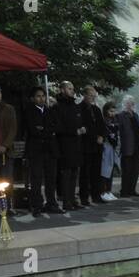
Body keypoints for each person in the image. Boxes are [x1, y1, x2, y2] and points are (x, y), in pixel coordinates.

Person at [23, 86, 60, 216]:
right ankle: (37, 205)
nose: (41, 98)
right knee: (36, 179)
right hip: (36, 150)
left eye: (43, 96)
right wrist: (47, 131)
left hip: (50, 149)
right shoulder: (29, 111)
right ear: (33, 98)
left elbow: (55, 127)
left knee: (51, 178)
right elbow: (33, 130)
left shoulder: (50, 111)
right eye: (38, 96)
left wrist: (44, 129)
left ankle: (51, 203)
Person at [53, 81, 86, 209]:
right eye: (69, 88)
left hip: (76, 146)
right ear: (62, 90)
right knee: (66, 175)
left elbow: (79, 121)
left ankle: (72, 200)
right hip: (65, 146)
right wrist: (74, 131)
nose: (72, 90)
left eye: (73, 88)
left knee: (74, 174)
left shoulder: (75, 106)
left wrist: (82, 128)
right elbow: (58, 127)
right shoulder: (58, 107)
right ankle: (66, 201)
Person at [78, 85, 106, 206]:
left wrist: (101, 136)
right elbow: (82, 126)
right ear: (85, 95)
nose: (92, 98)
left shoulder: (96, 110)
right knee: (85, 173)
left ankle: (96, 195)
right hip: (85, 145)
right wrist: (93, 135)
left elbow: (102, 126)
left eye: (94, 96)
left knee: (96, 172)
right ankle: (84, 197)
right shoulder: (79, 109)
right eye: (90, 95)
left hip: (97, 146)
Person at [115, 96, 139, 198]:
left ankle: (132, 190)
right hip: (127, 146)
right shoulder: (120, 116)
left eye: (132, 103)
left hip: (137, 146)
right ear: (124, 104)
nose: (131, 105)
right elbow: (119, 131)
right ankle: (124, 190)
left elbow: (138, 130)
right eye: (129, 103)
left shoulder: (135, 115)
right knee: (126, 170)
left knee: (135, 170)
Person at [99, 100, 121, 202]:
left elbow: (116, 133)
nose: (113, 113)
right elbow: (105, 134)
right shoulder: (104, 121)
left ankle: (108, 191)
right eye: (111, 111)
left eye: (114, 111)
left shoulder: (114, 121)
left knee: (111, 170)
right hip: (106, 147)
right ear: (106, 111)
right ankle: (103, 191)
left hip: (112, 148)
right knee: (105, 170)